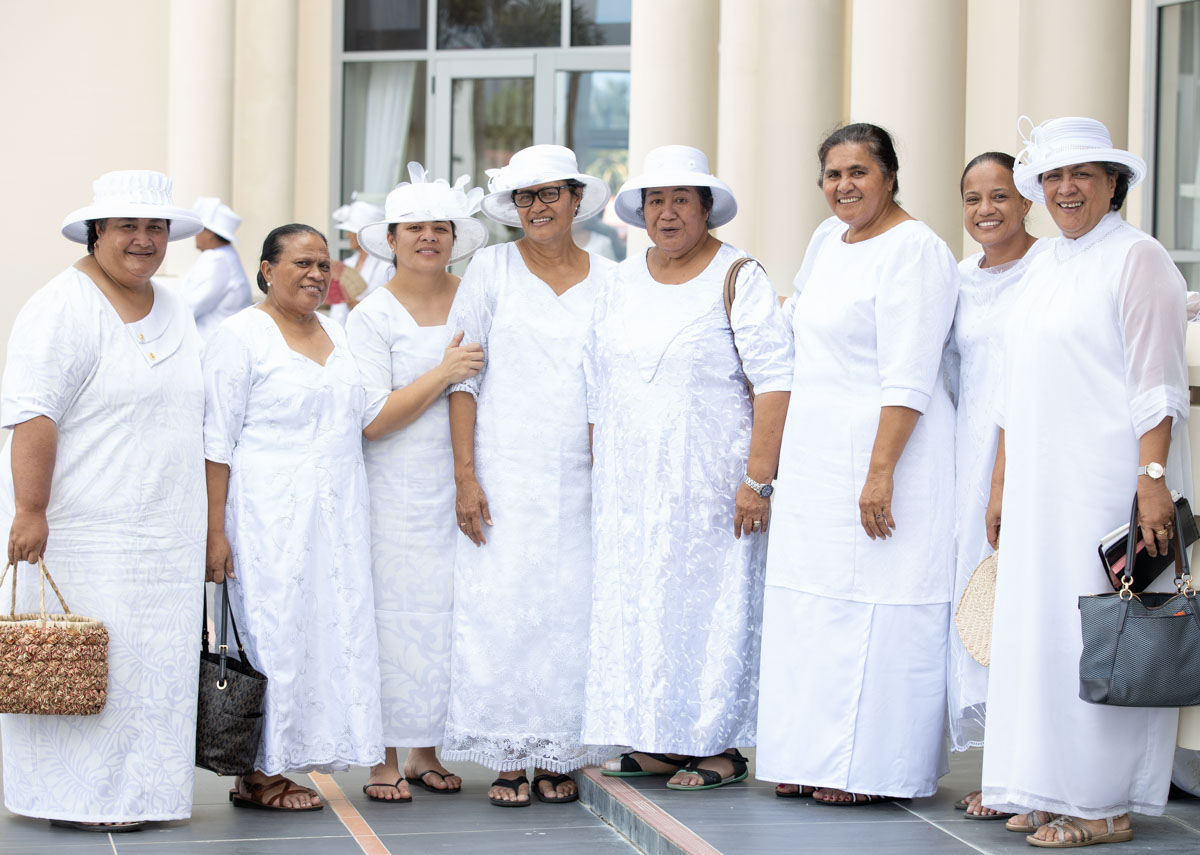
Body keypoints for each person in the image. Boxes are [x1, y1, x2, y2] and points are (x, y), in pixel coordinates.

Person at [981, 116, 1189, 848]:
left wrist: (1151, 481)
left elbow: (1157, 383)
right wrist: (1001, 479)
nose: (1066, 188)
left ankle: (1101, 803)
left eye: (1083, 175)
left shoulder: (1138, 258)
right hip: (1040, 484)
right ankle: (1049, 785)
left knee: (1099, 631)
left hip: (1105, 481)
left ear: (1112, 184)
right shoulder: (1047, 263)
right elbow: (1014, 384)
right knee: (1039, 634)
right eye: (1055, 177)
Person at [755, 124, 958, 805]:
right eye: (833, 174)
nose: (844, 185)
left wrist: (879, 472)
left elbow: (910, 375)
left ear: (891, 177)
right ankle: (812, 754)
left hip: (890, 455)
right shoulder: (825, 239)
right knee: (814, 602)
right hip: (816, 456)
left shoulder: (917, 251)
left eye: (859, 172)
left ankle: (872, 768)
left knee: (880, 605)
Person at [583, 144, 793, 791]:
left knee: (712, 603)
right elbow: (596, 379)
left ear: (706, 208)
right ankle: (660, 739)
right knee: (645, 602)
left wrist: (758, 479)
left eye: (681, 200)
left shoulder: (738, 275)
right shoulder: (618, 280)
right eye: (655, 201)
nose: (667, 213)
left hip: (711, 481)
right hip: (632, 483)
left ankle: (718, 747)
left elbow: (776, 380)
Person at [0, 170, 206, 832]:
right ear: (96, 234)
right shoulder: (61, 305)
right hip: (86, 530)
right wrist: (30, 509)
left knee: (154, 666)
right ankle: (76, 799)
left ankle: (145, 795)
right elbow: (34, 415)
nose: (143, 240)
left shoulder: (176, 305)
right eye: (127, 227)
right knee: (81, 665)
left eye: (155, 228)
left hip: (166, 532)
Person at [203, 224, 427, 811]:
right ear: (267, 269)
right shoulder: (240, 337)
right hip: (266, 519)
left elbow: (370, 416)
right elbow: (214, 444)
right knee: (270, 636)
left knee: (322, 636)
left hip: (337, 517)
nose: (317, 274)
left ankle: (291, 758)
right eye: (302, 263)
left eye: (324, 264)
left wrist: (443, 371)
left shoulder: (337, 330)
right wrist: (213, 532)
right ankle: (259, 774)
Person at [443, 144, 616, 807]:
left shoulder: (613, 278)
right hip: (503, 468)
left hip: (582, 474)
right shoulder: (488, 269)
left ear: (576, 200)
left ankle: (560, 751)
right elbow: (463, 378)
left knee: (572, 606)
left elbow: (612, 384)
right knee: (503, 604)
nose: (537, 208)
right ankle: (510, 753)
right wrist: (466, 474)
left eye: (549, 194)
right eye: (525, 196)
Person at [345, 164, 488, 802]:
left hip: (467, 474)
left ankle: (428, 749)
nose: (428, 238)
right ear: (392, 239)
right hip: (394, 488)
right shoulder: (371, 315)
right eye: (414, 229)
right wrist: (444, 370)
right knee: (390, 614)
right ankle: (382, 755)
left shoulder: (476, 295)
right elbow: (373, 419)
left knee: (447, 614)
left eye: (440, 227)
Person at [946, 152, 1046, 820]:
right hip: (966, 464)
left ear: (1028, 200)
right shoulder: (956, 280)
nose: (987, 209)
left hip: (1032, 458)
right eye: (974, 197)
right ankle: (1000, 769)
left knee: (1028, 616)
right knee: (981, 616)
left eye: (1002, 196)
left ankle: (1030, 774)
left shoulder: (1050, 270)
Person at [180, 196, 252, 341]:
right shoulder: (226, 256)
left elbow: (190, 306)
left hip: (211, 346)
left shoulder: (216, 259)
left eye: (199, 229)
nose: (195, 235)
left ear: (211, 233)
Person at [328, 200, 391, 324]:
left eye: (351, 231)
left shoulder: (387, 266)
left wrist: (361, 307)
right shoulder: (348, 263)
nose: (347, 235)